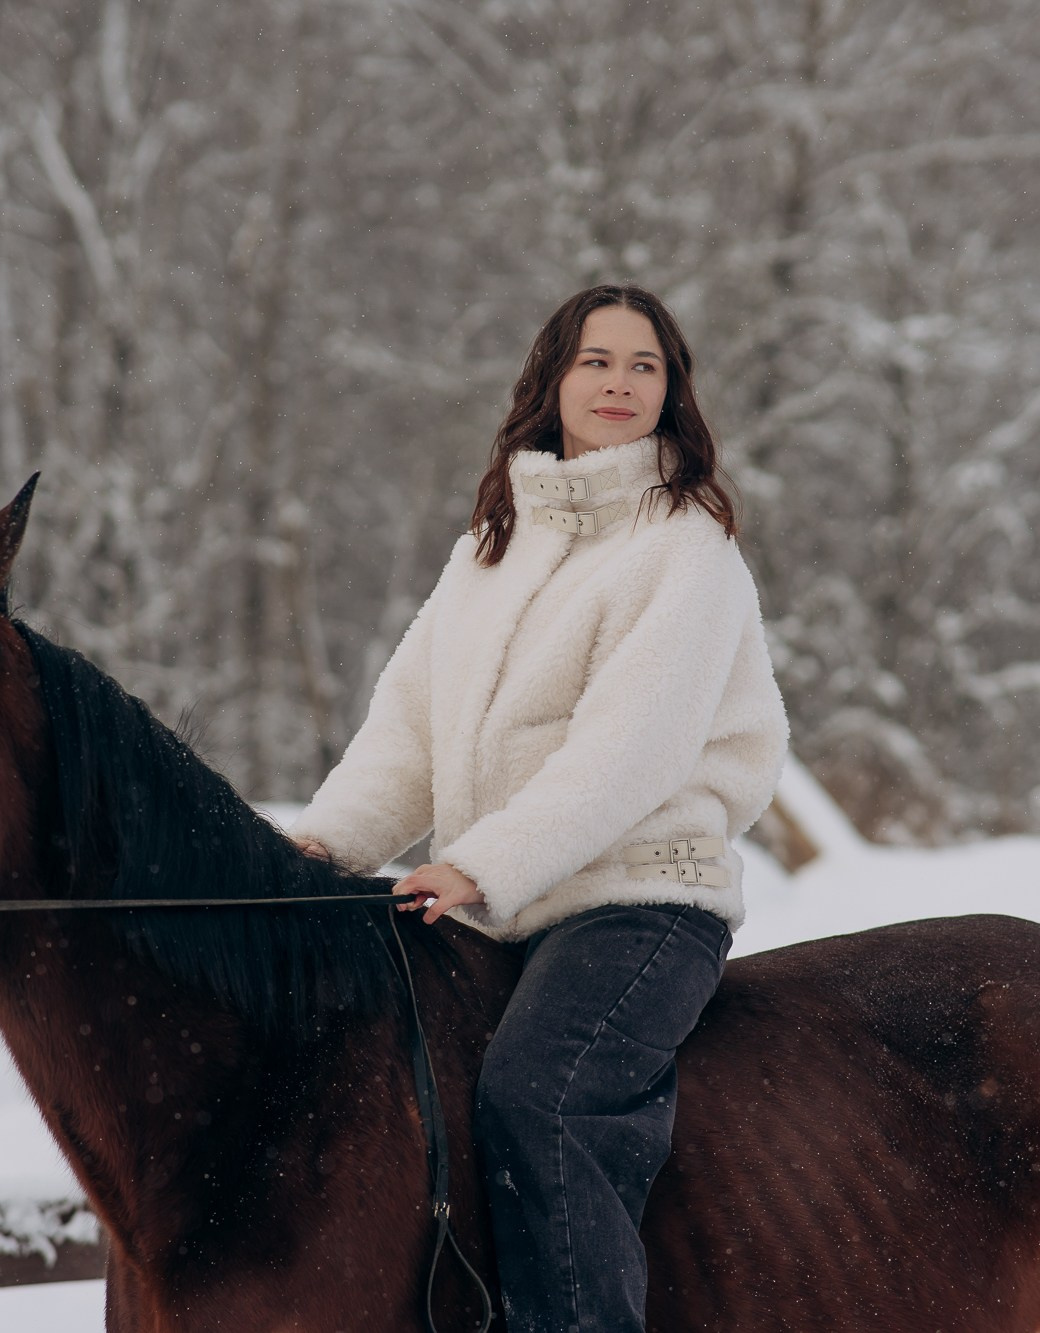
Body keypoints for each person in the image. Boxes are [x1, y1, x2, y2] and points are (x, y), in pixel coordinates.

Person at [289, 285, 789, 1333]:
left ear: (671, 389)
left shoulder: (685, 546)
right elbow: (408, 734)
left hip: (639, 900)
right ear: (551, 382)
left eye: (643, 365)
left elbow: (629, 750)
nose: (618, 383)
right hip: (499, 908)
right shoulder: (488, 547)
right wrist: (320, 851)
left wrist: (477, 863)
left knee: (539, 1094)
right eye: (595, 361)